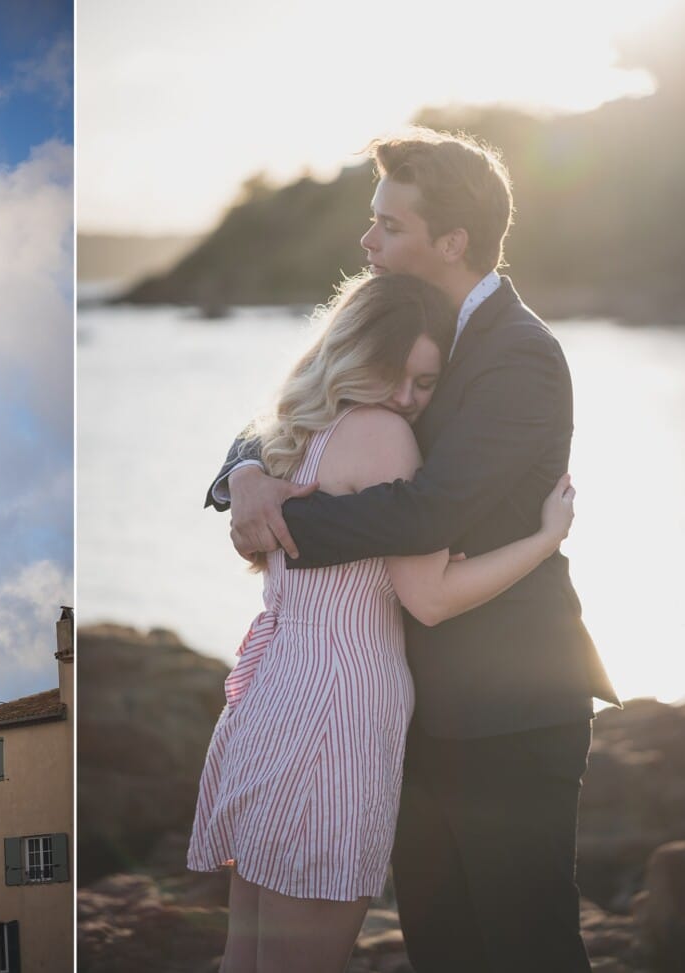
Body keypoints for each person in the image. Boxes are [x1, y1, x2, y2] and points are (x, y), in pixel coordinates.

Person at [206, 129, 619, 972]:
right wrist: (247, 476)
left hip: (512, 706)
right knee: (443, 947)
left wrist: (286, 527)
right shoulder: (401, 323)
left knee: (527, 943)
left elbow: (433, 510)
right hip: (406, 710)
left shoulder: (523, 356)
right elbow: (287, 411)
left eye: (388, 225)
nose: (367, 242)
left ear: (451, 241)